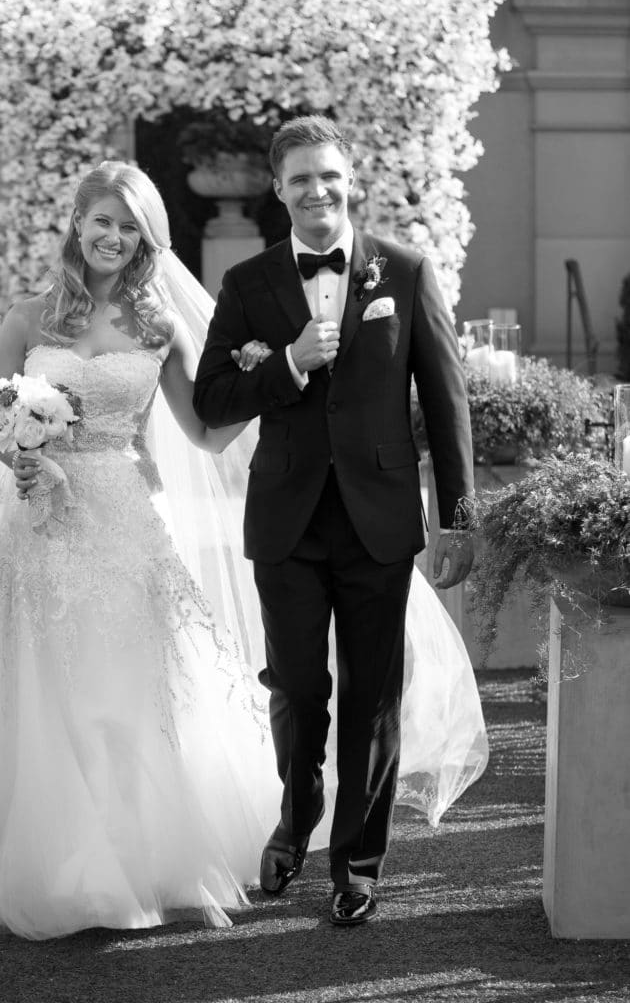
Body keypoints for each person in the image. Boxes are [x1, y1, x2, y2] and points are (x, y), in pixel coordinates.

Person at [0, 159, 486, 940]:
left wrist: (275, 376)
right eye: (100, 220)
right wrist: (23, 458)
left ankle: (139, 850)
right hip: (39, 529)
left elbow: (206, 430)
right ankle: (53, 847)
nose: (112, 236)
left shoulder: (159, 323)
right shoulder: (27, 318)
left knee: (127, 693)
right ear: (76, 223)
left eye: (129, 225)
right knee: (46, 692)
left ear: (147, 239)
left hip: (123, 525)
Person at [193, 115, 478, 928]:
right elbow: (213, 398)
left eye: (330, 177)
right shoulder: (248, 284)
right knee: (295, 690)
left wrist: (457, 516)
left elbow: (446, 402)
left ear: (349, 181)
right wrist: (285, 364)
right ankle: (295, 821)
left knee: (373, 697)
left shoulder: (408, 272)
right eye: (301, 179)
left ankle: (357, 862)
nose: (317, 191)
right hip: (285, 519)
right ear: (277, 190)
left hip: (378, 518)